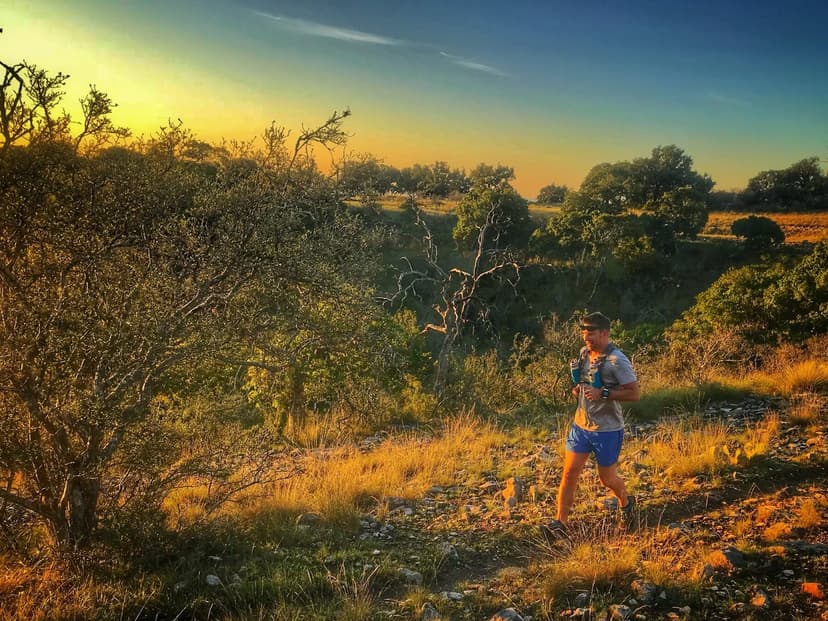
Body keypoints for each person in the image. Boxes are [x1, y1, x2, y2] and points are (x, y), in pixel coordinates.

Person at [547, 311, 640, 534]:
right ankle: (561, 523)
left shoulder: (617, 361)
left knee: (607, 479)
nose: (586, 337)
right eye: (584, 332)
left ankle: (626, 503)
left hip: (607, 429)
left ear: (605, 333)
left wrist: (604, 393)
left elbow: (635, 394)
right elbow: (585, 383)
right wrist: (578, 390)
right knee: (569, 473)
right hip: (581, 425)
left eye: (591, 333)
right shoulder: (583, 353)